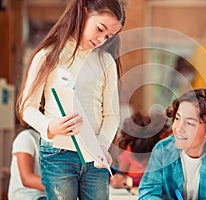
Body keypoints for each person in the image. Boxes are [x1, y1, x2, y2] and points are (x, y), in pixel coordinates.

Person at [16, 0, 125, 199]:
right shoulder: (48, 55)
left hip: (96, 158)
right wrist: (50, 126)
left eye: (108, 36)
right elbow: (27, 107)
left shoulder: (105, 61)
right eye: (99, 29)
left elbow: (111, 115)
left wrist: (101, 147)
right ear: (84, 13)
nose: (101, 39)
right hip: (58, 155)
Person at [138, 88, 206, 200]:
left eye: (189, 123)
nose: (178, 128)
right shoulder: (162, 149)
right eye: (177, 118)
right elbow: (147, 193)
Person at [109, 111, 171, 189]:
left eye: (146, 158)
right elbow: (121, 175)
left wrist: (131, 181)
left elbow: (165, 179)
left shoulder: (165, 148)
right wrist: (119, 179)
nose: (142, 164)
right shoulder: (128, 150)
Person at [8, 129, 46, 200]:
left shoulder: (56, 141)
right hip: (27, 196)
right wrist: (59, 186)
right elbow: (27, 179)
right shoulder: (26, 137)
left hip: (47, 194)